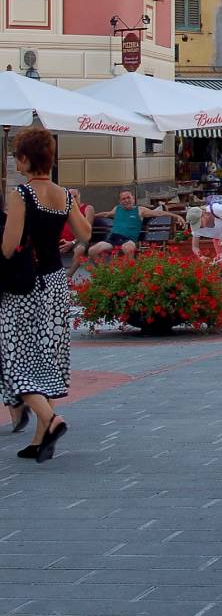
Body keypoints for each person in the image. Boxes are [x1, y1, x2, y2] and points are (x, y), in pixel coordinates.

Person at [1, 126, 91, 461]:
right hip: (55, 283)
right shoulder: (64, 195)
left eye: (17, 156)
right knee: (47, 355)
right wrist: (77, 207)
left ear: (25, 158)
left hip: (25, 284)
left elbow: (9, 247)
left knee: (16, 356)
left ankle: (52, 420)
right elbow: (83, 234)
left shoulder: (21, 195)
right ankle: (41, 439)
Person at [86, 189, 172, 261]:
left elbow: (159, 213)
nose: (126, 200)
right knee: (92, 251)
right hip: (112, 239)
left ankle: (130, 275)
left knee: (128, 249)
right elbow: (106, 214)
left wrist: (177, 216)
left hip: (128, 240)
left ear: (133, 198)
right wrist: (91, 216)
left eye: (128, 198)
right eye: (123, 199)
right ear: (120, 201)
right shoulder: (117, 208)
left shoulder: (140, 210)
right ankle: (106, 272)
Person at [59, 188, 96, 278]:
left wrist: (72, 243)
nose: (73, 199)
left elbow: (86, 230)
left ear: (79, 196)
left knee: (80, 250)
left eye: (75, 196)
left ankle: (68, 277)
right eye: (70, 197)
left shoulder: (88, 208)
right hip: (62, 240)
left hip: (79, 240)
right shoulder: (63, 209)